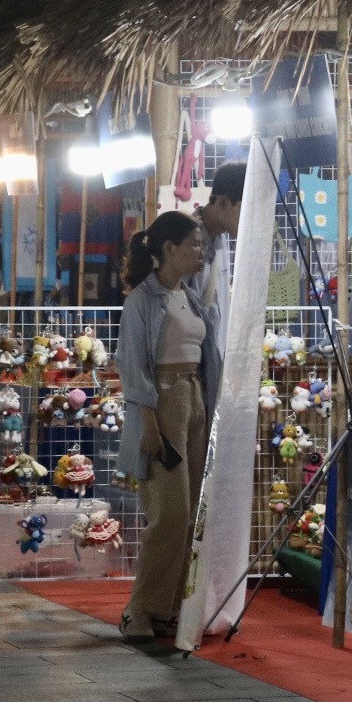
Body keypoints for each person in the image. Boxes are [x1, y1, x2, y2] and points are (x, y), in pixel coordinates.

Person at [117, 211, 224, 643]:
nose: (201, 252)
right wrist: (147, 425)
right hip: (160, 405)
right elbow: (132, 366)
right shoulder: (141, 300)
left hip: (195, 400)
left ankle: (169, 607)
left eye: (202, 245)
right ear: (169, 249)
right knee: (170, 514)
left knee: (192, 511)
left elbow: (207, 356)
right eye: (194, 244)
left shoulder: (192, 297)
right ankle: (138, 610)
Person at [188, 162, 245, 346]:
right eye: (244, 210)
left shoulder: (221, 243)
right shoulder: (184, 243)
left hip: (214, 364)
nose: (248, 219)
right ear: (223, 202)